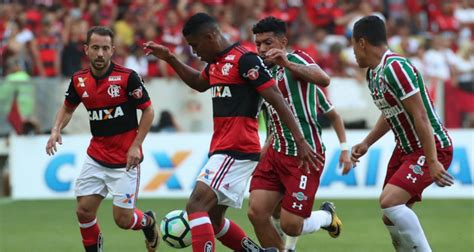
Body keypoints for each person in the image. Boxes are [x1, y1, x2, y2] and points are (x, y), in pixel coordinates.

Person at [144, 13, 320, 252]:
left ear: (209, 37)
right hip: (224, 148)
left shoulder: (245, 60)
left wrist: (300, 140)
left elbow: (276, 98)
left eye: (195, 45)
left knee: (196, 206)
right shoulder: (216, 63)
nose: (195, 52)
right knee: (214, 221)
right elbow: (198, 82)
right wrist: (171, 58)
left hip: (237, 148)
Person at [45, 26, 159, 252]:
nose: (100, 53)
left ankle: (148, 221)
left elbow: (148, 111)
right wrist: (56, 129)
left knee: (123, 220)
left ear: (112, 50)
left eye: (105, 48)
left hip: (125, 161)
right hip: (96, 157)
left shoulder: (127, 78)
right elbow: (67, 109)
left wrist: (136, 146)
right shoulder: (79, 80)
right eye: (95, 48)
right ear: (86, 49)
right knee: (83, 211)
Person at [350, 16, 454, 251]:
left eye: (353, 45)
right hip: (405, 149)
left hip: (431, 146)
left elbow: (421, 116)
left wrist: (432, 160)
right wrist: (367, 142)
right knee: (390, 215)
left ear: (363, 42)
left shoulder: (395, 67)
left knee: (389, 202)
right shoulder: (373, 74)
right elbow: (390, 112)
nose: (353, 52)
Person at [247, 16, 345, 251]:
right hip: (276, 152)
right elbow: (273, 118)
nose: (261, 49)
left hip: (305, 154)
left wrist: (287, 64)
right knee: (257, 213)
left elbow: (324, 78)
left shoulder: (295, 59)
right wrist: (265, 148)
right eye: (258, 44)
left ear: (283, 41)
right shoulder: (261, 73)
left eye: (268, 43)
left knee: (291, 225)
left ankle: (325, 217)